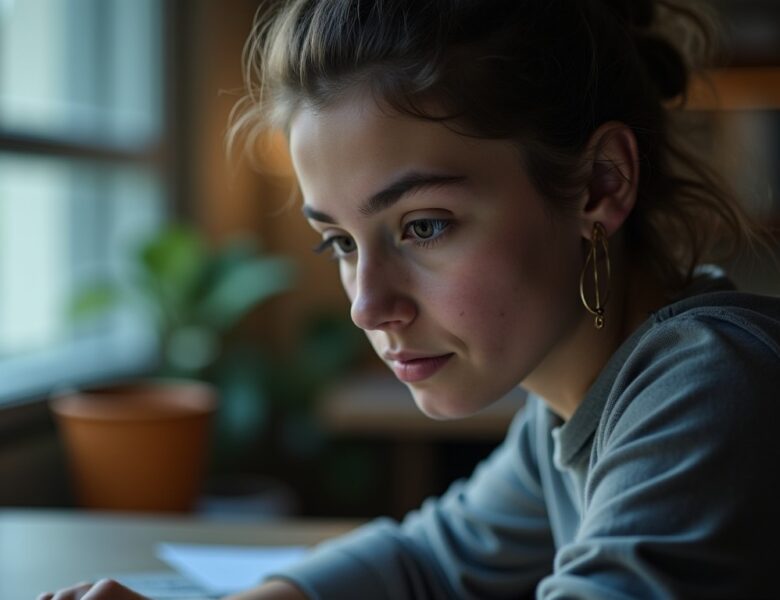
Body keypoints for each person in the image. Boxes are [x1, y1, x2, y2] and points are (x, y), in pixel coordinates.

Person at [40, 0, 780, 599]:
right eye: (339, 242)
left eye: (424, 225)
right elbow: (428, 559)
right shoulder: (573, 404)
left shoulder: (709, 384)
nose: (366, 305)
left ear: (601, 185)